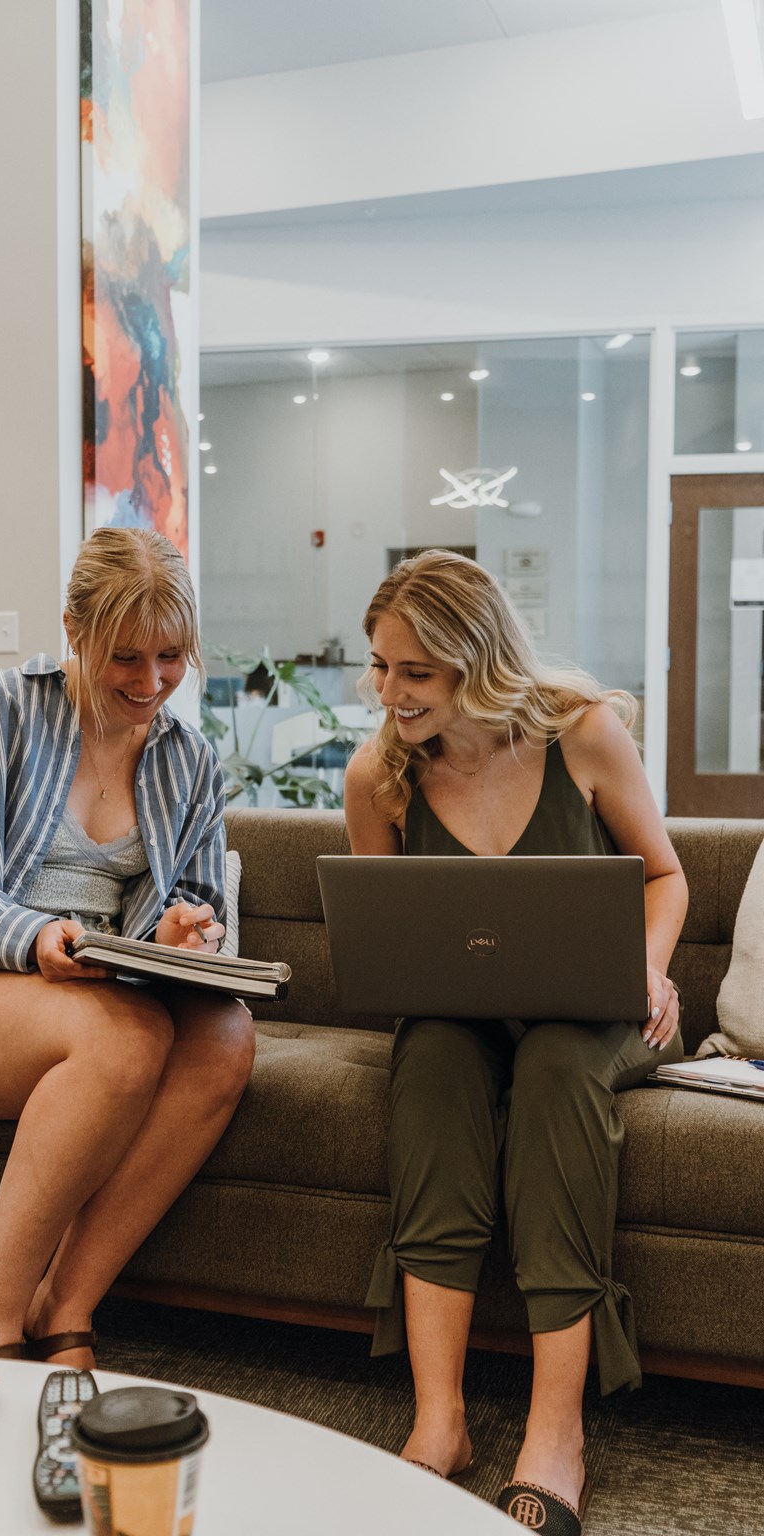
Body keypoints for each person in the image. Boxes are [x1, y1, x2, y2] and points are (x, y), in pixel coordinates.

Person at [0, 527, 256, 1366]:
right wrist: (32, 936)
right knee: (123, 1032)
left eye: (171, 657)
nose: (151, 685)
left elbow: (207, 904)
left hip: (109, 987)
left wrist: (190, 933)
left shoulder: (191, 762)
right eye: (125, 658)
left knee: (225, 1039)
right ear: (73, 631)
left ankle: (65, 1304)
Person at [343, 550, 686, 1534]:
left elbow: (664, 876)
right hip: (464, 1019)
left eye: (416, 672)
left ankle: (554, 1432)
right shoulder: (380, 777)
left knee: (550, 1076)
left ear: (476, 660)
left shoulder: (583, 735)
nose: (388, 692)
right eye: (380, 665)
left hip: (594, 1017)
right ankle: (438, 1421)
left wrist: (651, 967)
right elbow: (392, 938)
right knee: (434, 1063)